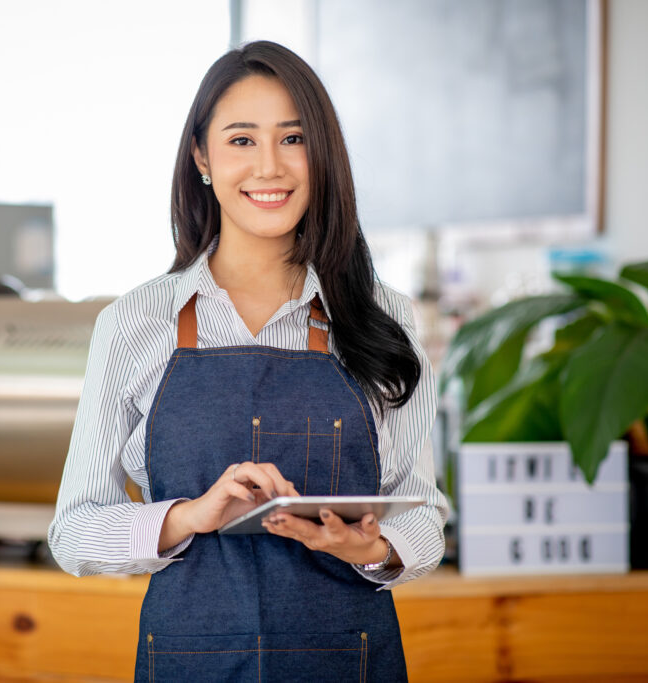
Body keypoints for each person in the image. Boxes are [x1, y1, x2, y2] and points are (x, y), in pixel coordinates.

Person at [48, 40, 448, 681]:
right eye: (241, 140)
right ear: (202, 157)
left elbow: (423, 514)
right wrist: (188, 516)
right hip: (190, 662)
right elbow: (73, 532)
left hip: (347, 661)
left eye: (293, 139)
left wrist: (370, 545)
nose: (270, 167)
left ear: (322, 156)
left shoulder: (384, 318)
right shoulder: (133, 324)